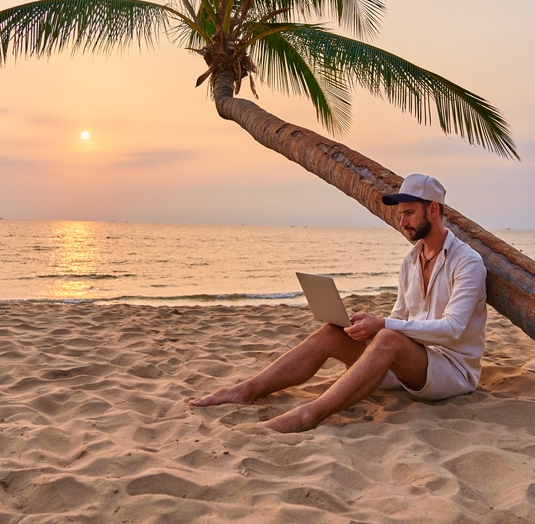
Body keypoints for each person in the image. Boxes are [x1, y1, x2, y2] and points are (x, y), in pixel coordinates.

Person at [189, 174, 488, 433]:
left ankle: (309, 414)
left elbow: (452, 330)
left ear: (433, 209)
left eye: (408, 213)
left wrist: (382, 327)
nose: (402, 222)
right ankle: (247, 389)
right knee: (334, 331)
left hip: (451, 371)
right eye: (400, 214)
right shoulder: (410, 261)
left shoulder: (467, 262)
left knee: (387, 338)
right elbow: (401, 316)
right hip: (410, 364)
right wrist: (366, 329)